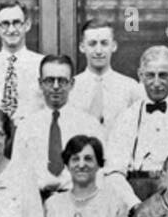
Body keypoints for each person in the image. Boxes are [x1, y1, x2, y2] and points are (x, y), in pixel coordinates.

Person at [106, 45, 168, 203]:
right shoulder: (125, 118)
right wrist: (135, 206)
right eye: (150, 75)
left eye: (163, 75)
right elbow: (114, 172)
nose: (156, 83)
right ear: (140, 75)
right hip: (134, 199)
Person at [12, 54, 102, 195]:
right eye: (49, 80)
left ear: (72, 84)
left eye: (62, 81)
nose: (55, 86)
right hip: (37, 200)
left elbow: (100, 171)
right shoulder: (26, 126)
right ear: (40, 83)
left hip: (78, 198)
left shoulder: (89, 125)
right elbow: (16, 172)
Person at [0, 0, 46, 118]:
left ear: (27, 25)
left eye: (16, 23)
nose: (11, 30)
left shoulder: (42, 65)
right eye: (5, 23)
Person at [70, 18, 142, 129]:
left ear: (113, 46)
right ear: (82, 47)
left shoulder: (130, 87)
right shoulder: (71, 87)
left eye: (104, 43)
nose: (98, 51)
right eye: (92, 44)